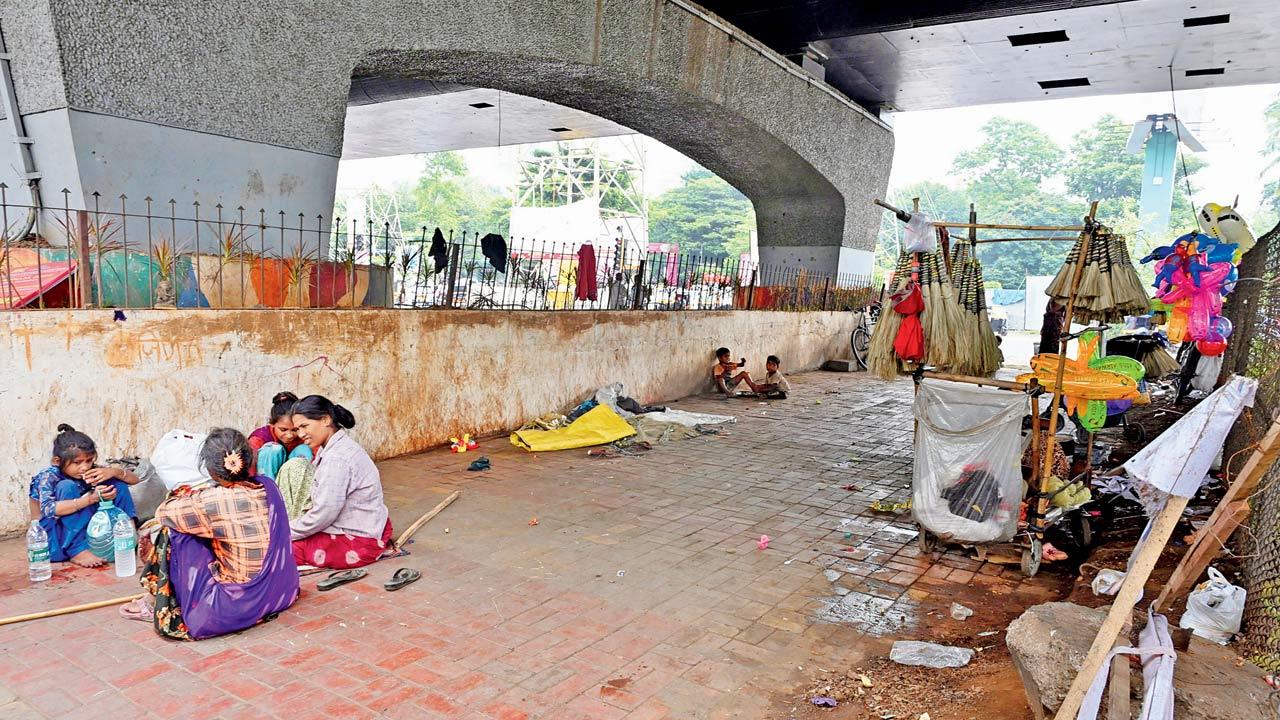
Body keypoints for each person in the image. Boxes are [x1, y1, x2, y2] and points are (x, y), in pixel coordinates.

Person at [121, 428, 299, 640]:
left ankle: (154, 601)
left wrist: (187, 495)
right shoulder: (269, 485)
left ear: (210, 470)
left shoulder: (214, 500)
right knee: (199, 525)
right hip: (281, 591)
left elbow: (164, 513)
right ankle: (152, 597)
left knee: (175, 533)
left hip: (238, 605)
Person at [289, 395, 392, 569]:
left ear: (325, 419)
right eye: (297, 429)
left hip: (360, 540)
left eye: (304, 426)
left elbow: (324, 514)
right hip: (374, 525)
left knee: (279, 549)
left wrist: (284, 531)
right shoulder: (333, 448)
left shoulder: (336, 458)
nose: (300, 434)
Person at [28, 424, 140, 568]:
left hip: (85, 532)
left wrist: (113, 472)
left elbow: (135, 480)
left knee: (117, 483)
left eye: (89, 460)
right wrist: (90, 499)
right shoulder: (48, 477)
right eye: (77, 462)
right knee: (67, 486)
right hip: (55, 538)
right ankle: (77, 551)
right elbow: (49, 510)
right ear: (57, 461)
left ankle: (126, 534)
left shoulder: (91, 470)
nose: (85, 467)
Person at [248, 391, 313, 478]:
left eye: (295, 430)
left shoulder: (302, 436)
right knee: (273, 449)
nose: (290, 435)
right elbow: (247, 465)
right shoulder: (258, 438)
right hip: (266, 481)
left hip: (289, 481)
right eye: (283, 430)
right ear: (272, 424)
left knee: (304, 449)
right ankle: (270, 488)